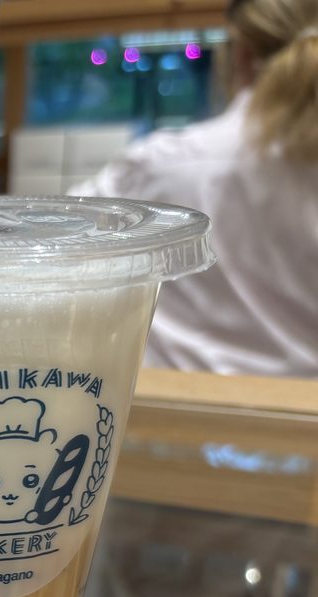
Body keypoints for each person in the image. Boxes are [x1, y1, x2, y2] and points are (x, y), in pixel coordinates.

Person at [73, 0, 318, 377]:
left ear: (241, 55)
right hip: (303, 421)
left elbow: (58, 246)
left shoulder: (162, 164)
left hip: (180, 415)